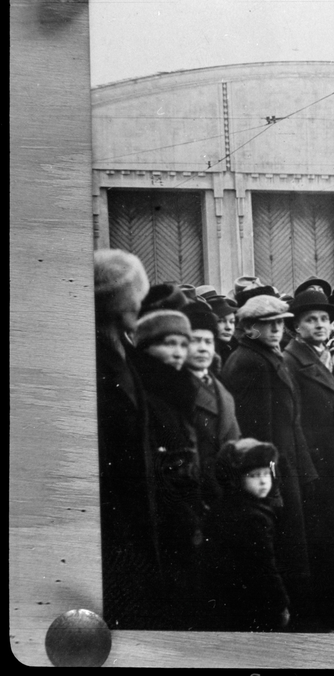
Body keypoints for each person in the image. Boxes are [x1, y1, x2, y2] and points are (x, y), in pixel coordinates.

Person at [220, 295, 316, 628]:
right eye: (267, 324)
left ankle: (299, 616)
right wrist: (272, 478)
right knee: (283, 545)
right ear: (249, 329)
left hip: (283, 463)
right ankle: (293, 620)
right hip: (272, 468)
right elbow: (258, 427)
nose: (276, 329)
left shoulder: (266, 356)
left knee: (290, 542)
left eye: (280, 323)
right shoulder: (250, 362)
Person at [282, 286, 334, 629]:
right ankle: (314, 617)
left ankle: (333, 613)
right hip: (316, 468)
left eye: (324, 319)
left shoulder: (323, 356)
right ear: (296, 326)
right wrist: (308, 470)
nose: (319, 324)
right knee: (317, 543)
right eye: (310, 319)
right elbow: (292, 422)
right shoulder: (291, 362)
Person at [94, 249, 168, 630]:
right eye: (133, 297)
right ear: (116, 303)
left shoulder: (120, 351)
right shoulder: (97, 359)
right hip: (116, 521)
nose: (140, 304)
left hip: (137, 509)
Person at [130, 309, 205, 628]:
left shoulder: (179, 386)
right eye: (168, 344)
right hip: (166, 510)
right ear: (146, 347)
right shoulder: (144, 392)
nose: (178, 352)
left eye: (183, 344)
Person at [199, 438, 291, 632]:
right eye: (254, 475)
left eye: (266, 473)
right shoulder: (253, 518)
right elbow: (265, 567)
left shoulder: (225, 508)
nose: (263, 481)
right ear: (236, 479)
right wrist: (280, 604)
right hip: (254, 601)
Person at [182, 301, 241, 509]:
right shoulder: (177, 389)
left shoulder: (219, 387)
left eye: (208, 341)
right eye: (195, 341)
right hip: (199, 495)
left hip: (228, 491)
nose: (203, 348)